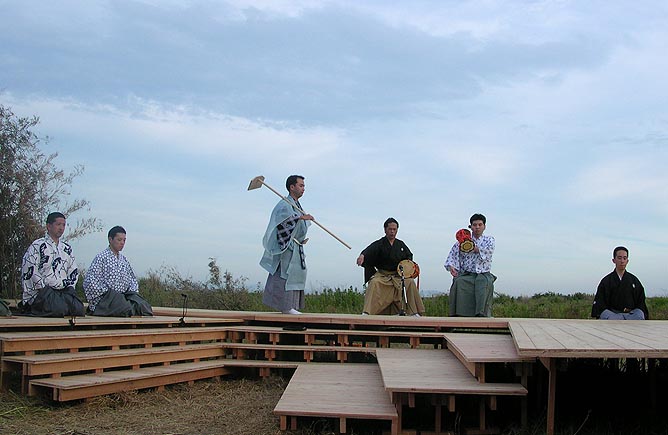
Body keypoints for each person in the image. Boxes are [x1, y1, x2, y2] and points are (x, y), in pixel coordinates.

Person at [260, 175, 314, 314]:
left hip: (296, 246)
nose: (303, 188)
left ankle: (292, 305)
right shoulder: (285, 203)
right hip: (287, 247)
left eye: (304, 186)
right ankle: (286, 307)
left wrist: (303, 219)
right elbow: (282, 221)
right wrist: (300, 217)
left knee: (297, 274)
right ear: (292, 187)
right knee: (285, 274)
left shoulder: (295, 204)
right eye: (301, 185)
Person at [20, 212, 84, 317]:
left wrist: (69, 286)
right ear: (48, 226)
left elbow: (73, 271)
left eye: (63, 225)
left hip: (62, 291)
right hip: (43, 292)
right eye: (58, 224)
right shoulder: (38, 245)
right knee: (59, 309)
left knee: (78, 309)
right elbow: (30, 270)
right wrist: (43, 289)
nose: (61, 228)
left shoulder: (66, 248)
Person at [356, 218, 425, 316]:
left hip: (398, 276)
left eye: (394, 229)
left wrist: (408, 268)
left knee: (410, 282)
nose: (392, 232)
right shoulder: (379, 244)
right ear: (385, 230)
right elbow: (368, 251)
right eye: (390, 229)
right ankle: (367, 312)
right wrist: (362, 255)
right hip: (383, 275)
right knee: (374, 282)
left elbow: (409, 258)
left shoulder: (400, 245)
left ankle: (413, 312)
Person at [83, 226, 153, 316]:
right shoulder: (101, 258)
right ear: (110, 239)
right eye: (119, 240)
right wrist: (108, 293)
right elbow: (90, 282)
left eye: (124, 240)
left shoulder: (124, 260)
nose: (122, 243)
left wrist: (130, 293)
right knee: (127, 309)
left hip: (123, 297)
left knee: (143, 306)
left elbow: (132, 280)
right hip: (107, 298)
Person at [444, 213, 496, 317]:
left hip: (483, 273)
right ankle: (457, 314)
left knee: (482, 283)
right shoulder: (460, 241)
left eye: (480, 225)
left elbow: (488, 252)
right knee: (458, 282)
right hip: (467, 273)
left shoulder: (489, 240)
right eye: (474, 225)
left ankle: (481, 313)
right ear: (470, 226)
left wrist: (472, 247)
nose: (477, 227)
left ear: (484, 226)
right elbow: (452, 256)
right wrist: (452, 268)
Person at [591, 246, 648, 320]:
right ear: (614, 260)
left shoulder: (634, 280)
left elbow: (641, 302)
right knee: (606, 314)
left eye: (625, 258)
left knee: (639, 314)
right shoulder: (606, 281)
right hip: (612, 315)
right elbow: (600, 303)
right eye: (619, 258)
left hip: (630, 315)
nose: (622, 261)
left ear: (627, 261)